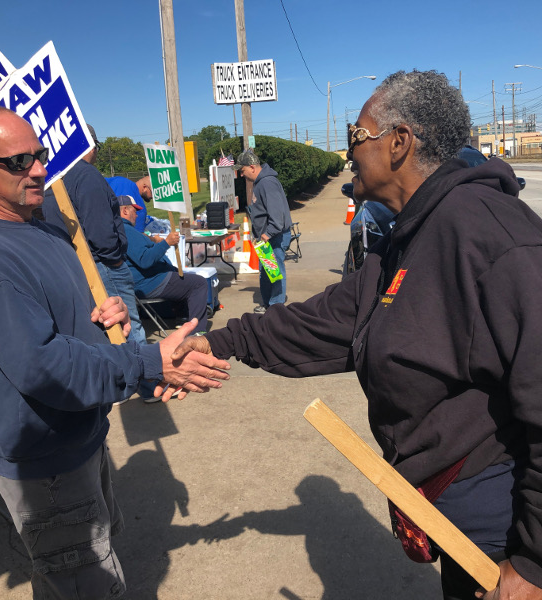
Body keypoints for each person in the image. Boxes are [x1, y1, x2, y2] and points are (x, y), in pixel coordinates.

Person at [173, 70, 542, 600]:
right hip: (456, 527)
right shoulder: (404, 240)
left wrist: (533, 563)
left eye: (356, 135)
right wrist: (217, 342)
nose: (348, 153)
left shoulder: (489, 233)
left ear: (399, 142)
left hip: (502, 536)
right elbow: (324, 322)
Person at [0, 106, 230, 599]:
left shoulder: (43, 230)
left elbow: (70, 327)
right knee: (82, 584)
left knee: (91, 560)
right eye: (17, 162)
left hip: (81, 434)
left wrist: (106, 315)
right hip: (43, 459)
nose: (36, 169)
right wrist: (149, 361)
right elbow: (46, 367)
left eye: (39, 155)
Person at [42, 124, 154, 398]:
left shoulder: (51, 179)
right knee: (128, 326)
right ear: (87, 145)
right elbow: (102, 232)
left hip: (72, 267)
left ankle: (118, 385)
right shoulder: (85, 175)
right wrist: (115, 261)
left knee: (99, 330)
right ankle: (149, 385)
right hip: (102, 265)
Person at [118, 195, 208, 335]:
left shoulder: (120, 230)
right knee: (199, 283)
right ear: (125, 211)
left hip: (146, 280)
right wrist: (166, 243)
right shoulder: (126, 230)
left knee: (179, 274)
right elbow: (145, 260)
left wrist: (153, 240)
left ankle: (182, 319)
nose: (136, 215)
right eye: (134, 211)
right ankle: (197, 332)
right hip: (148, 283)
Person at [235, 150, 292, 313]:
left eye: (243, 170)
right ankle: (269, 304)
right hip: (266, 237)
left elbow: (277, 214)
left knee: (275, 271)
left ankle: (276, 307)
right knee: (267, 271)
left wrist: (267, 234)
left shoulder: (267, 183)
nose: (241, 174)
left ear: (252, 167)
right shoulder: (261, 182)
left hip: (273, 236)